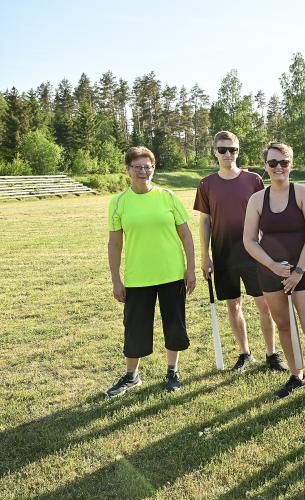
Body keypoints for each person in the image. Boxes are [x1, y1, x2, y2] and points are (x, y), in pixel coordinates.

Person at [243, 142, 305, 405]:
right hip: (270, 272)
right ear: (266, 167)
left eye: (283, 162)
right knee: (283, 325)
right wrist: (272, 266)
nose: (278, 168)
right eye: (273, 163)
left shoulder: (303, 193)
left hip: (303, 271)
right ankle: (297, 375)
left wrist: (297, 271)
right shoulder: (257, 199)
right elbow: (249, 240)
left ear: (291, 164)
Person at [106, 146, 196, 397]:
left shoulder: (168, 197)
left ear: (153, 168)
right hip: (138, 277)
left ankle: (172, 371)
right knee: (135, 327)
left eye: (148, 166)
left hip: (172, 274)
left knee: (174, 325)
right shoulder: (119, 202)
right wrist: (116, 279)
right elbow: (115, 244)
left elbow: (186, 235)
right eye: (138, 167)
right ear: (128, 170)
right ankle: (131, 376)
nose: (143, 171)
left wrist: (191, 269)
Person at [194, 131, 287, 373]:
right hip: (223, 254)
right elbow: (205, 222)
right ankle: (245, 353)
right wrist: (205, 256)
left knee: (264, 305)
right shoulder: (206, 184)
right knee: (233, 305)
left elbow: (266, 215)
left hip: (253, 252)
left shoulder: (254, 180)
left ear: (238, 151)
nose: (228, 154)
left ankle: (272, 354)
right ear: (215, 151)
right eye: (223, 149)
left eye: (232, 149)